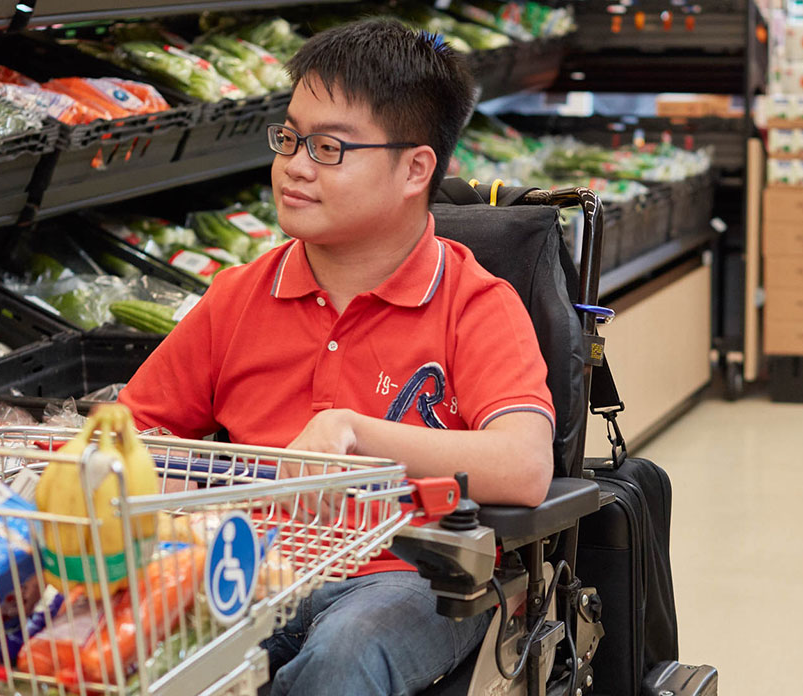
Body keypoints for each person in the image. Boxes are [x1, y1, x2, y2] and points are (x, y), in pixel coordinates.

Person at [118, 19, 555, 696]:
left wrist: (357, 432)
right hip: (250, 565)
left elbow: (524, 466)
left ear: (415, 168)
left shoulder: (474, 303)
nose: (294, 166)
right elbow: (134, 432)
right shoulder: (238, 297)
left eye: (329, 148)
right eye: (290, 138)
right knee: (127, 647)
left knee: (343, 656)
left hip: (412, 573)